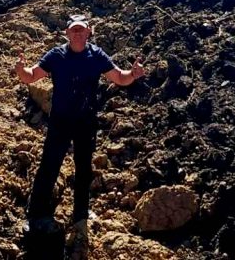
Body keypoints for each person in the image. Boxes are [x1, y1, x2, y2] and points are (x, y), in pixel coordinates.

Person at [15, 14, 146, 244]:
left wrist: (133, 75)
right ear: (67, 33)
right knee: (49, 166)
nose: (77, 33)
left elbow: (119, 77)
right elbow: (32, 76)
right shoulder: (56, 55)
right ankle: (36, 215)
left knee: (84, 169)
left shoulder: (96, 56)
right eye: (73, 30)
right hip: (60, 121)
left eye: (81, 30)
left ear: (89, 32)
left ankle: (80, 216)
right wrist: (20, 71)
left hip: (86, 122)